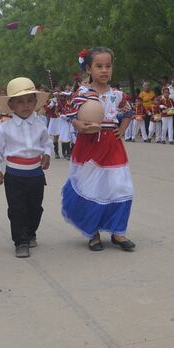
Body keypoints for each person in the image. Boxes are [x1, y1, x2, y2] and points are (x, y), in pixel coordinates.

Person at [61, 47, 135, 252]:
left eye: (108, 66)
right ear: (89, 69)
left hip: (113, 145)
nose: (104, 70)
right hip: (90, 145)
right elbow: (69, 114)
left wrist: (122, 128)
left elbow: (130, 112)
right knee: (90, 187)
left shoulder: (118, 95)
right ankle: (92, 232)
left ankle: (118, 232)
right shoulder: (82, 93)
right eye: (99, 66)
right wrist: (78, 125)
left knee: (120, 186)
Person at [0, 77, 52, 258]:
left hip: (36, 174)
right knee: (17, 209)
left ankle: (31, 232)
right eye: (20, 101)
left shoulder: (40, 124)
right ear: (11, 105)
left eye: (30, 100)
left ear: (36, 103)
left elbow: (47, 143)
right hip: (14, 175)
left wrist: (46, 154)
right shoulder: (5, 128)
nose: (26, 105)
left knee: (35, 207)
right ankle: (21, 240)